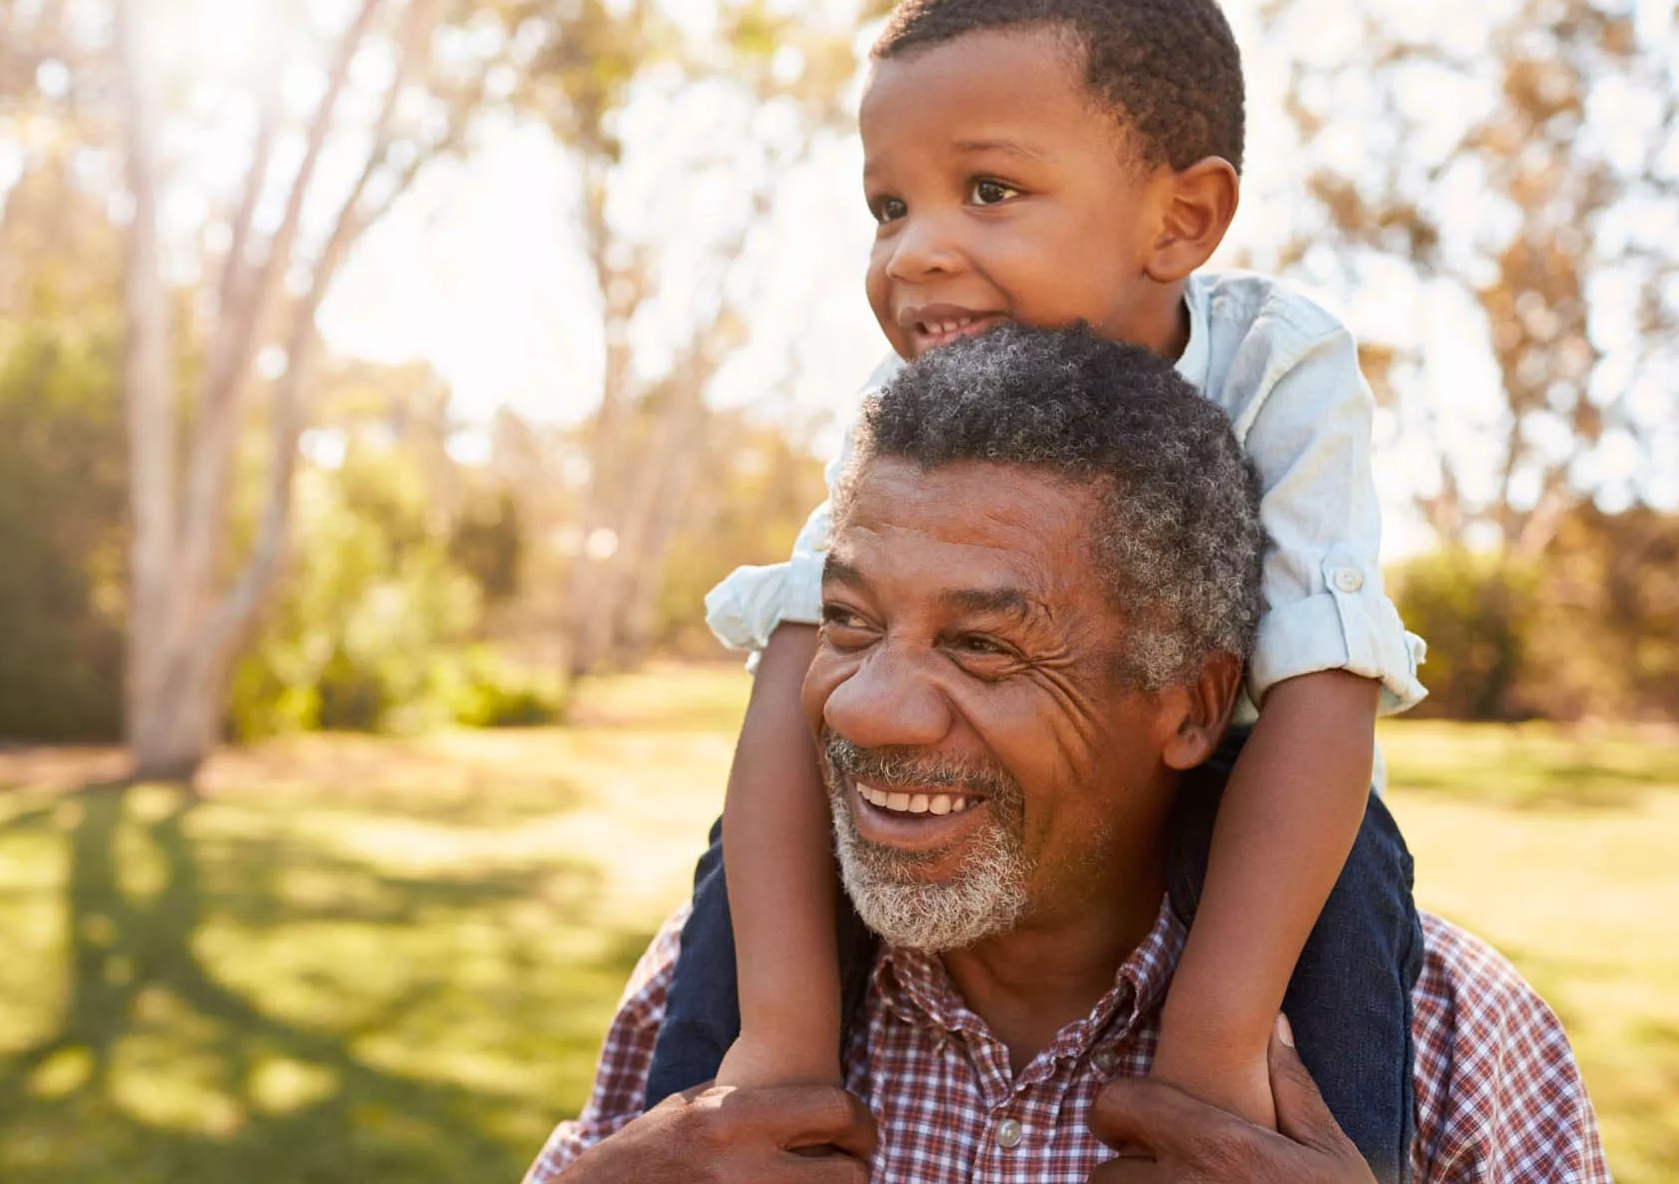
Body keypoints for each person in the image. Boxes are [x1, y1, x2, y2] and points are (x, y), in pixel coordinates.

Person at [647, 0, 1432, 1180]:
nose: (913, 253)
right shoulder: (902, 408)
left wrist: (1213, 1049)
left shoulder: (1276, 365)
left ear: (1181, 219)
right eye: (889, 206)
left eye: (991, 191)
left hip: (1244, 782)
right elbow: (795, 668)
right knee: (735, 871)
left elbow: (1327, 685)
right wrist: (781, 1040)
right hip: (989, 829)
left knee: (1357, 874)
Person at [527, 327, 1607, 1183]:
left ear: (1191, 708)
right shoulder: (710, 984)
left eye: (985, 644)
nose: (869, 709)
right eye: (849, 625)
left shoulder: (1451, 1036)